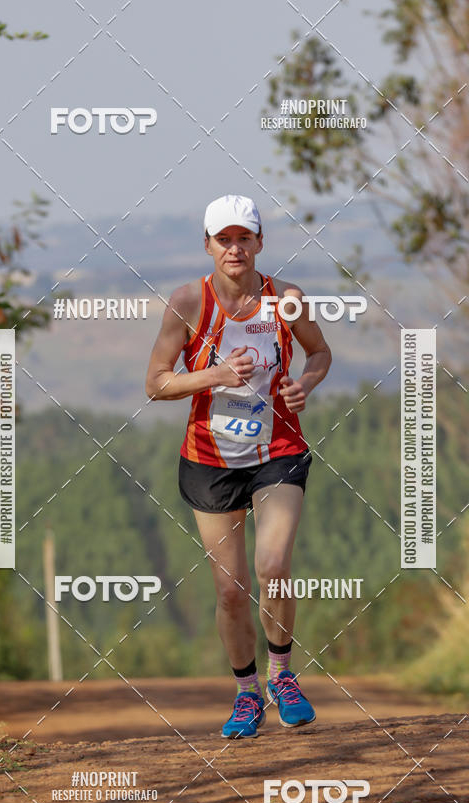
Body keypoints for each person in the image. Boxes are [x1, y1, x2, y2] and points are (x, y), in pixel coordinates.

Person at [145, 195, 331, 738]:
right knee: (230, 588)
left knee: (273, 563)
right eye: (223, 239)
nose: (234, 248)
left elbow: (320, 353)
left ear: (259, 243)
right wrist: (214, 376)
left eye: (243, 238)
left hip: (278, 452)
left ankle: (282, 675)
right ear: (208, 245)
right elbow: (156, 383)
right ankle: (246, 694)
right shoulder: (188, 303)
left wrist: (306, 384)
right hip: (209, 460)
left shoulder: (286, 300)